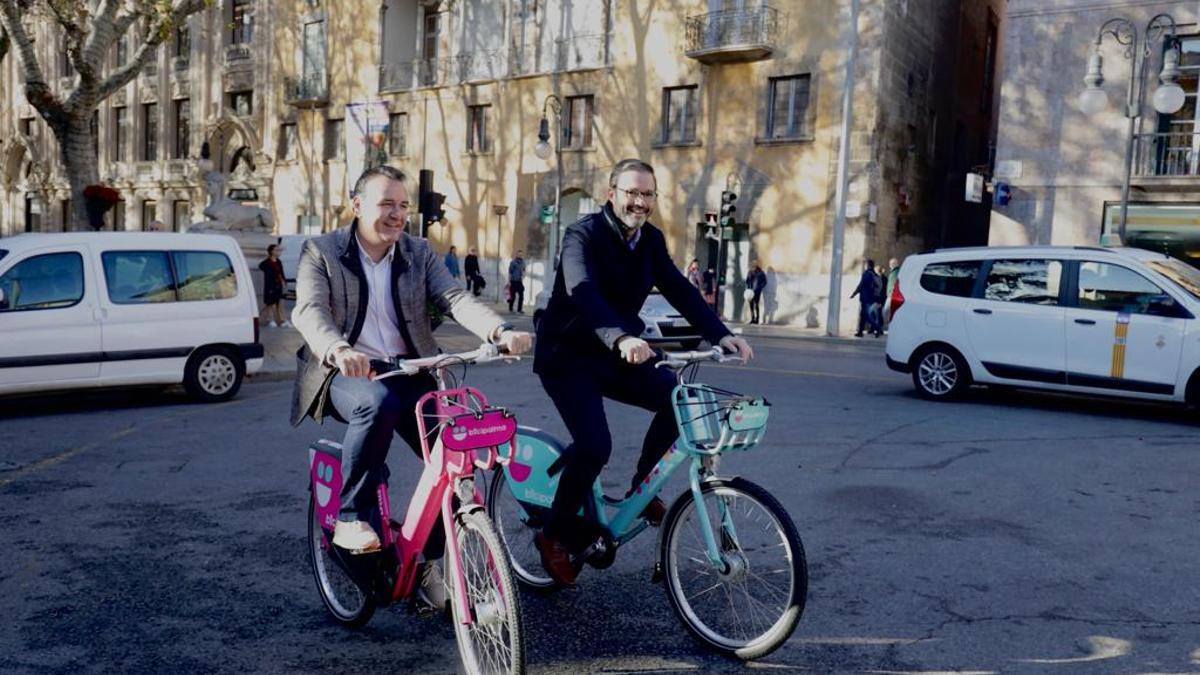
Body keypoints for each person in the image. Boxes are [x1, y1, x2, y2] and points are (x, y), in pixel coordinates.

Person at [291, 165, 532, 605]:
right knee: (377, 403)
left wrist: (499, 331)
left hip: (411, 368)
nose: (397, 214)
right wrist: (339, 349)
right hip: (347, 373)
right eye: (386, 204)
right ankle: (350, 516)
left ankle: (430, 564)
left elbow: (454, 298)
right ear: (357, 205)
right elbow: (309, 311)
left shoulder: (418, 252)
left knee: (456, 460)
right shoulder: (322, 251)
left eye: (403, 206)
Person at [531, 158, 754, 586]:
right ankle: (553, 534)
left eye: (647, 194)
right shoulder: (582, 235)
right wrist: (619, 337)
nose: (639, 201)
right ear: (611, 193)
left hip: (615, 351)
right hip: (569, 354)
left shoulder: (649, 240)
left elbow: (678, 288)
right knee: (595, 445)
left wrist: (720, 334)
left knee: (677, 397)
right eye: (631, 192)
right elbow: (584, 294)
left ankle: (642, 488)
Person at [258, 243, 289, 327]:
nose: (278, 252)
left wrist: (284, 281)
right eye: (276, 250)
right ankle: (271, 320)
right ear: (271, 251)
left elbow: (281, 272)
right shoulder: (267, 262)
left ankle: (282, 320)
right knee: (271, 304)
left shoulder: (279, 262)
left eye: (279, 250)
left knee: (280, 303)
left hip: (278, 284)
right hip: (270, 285)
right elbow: (261, 266)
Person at [850, 258, 882, 337]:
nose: (864, 266)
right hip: (871, 298)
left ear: (867, 265)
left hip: (866, 298)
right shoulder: (874, 274)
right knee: (863, 315)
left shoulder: (867, 274)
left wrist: (854, 293)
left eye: (865, 264)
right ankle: (860, 332)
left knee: (867, 316)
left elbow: (861, 285)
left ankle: (877, 329)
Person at [883, 256, 901, 324]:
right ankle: (892, 324)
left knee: (885, 311)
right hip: (890, 295)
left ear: (896, 264)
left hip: (892, 295)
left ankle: (891, 324)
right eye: (890, 263)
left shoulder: (896, 272)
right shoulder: (893, 272)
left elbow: (895, 283)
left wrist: (892, 292)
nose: (890, 265)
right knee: (889, 311)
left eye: (892, 263)